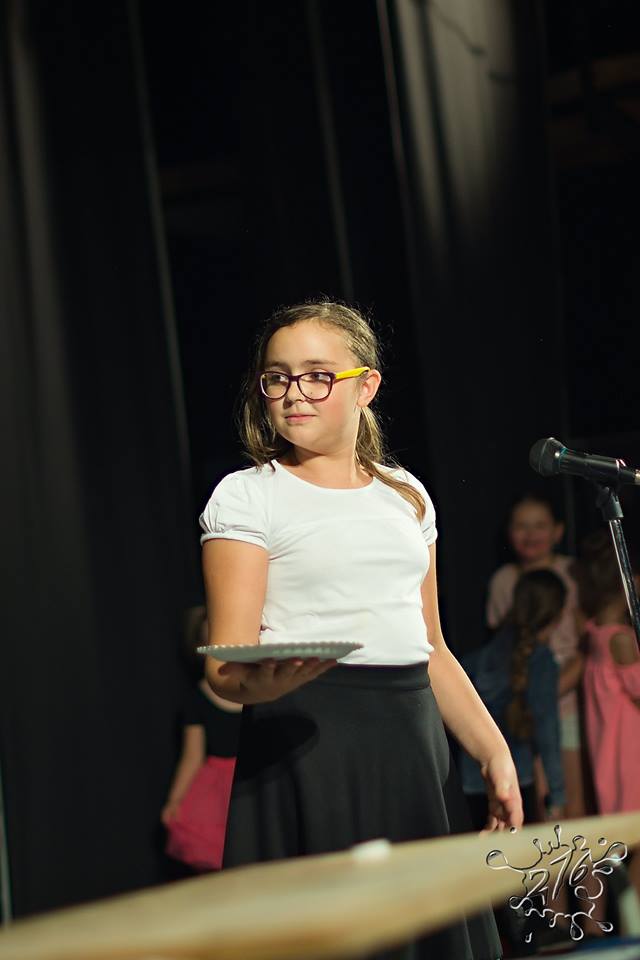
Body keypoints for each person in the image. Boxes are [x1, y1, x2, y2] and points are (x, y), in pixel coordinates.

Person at [199, 300, 523, 959]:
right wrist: (262, 687)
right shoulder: (249, 494)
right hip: (309, 741)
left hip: (410, 743)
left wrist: (493, 752)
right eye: (277, 377)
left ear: (366, 385)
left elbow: (432, 647)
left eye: (317, 375)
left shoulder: (405, 494)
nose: (294, 392)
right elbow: (225, 667)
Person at [487, 495, 585, 819]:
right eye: (521, 526)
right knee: (542, 803)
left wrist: (550, 690)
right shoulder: (504, 580)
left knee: (570, 795)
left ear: (558, 531)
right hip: (521, 705)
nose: (531, 534)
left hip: (568, 699)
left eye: (540, 525)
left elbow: (586, 644)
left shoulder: (572, 573)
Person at [460, 569, 566, 830]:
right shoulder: (541, 662)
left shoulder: (483, 655)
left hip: (472, 780)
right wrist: (557, 795)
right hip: (515, 784)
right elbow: (547, 732)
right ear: (557, 616)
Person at [161, 605, 242, 871]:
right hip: (216, 791)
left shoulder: (260, 691)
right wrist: (175, 800)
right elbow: (192, 757)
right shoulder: (197, 699)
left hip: (251, 778)